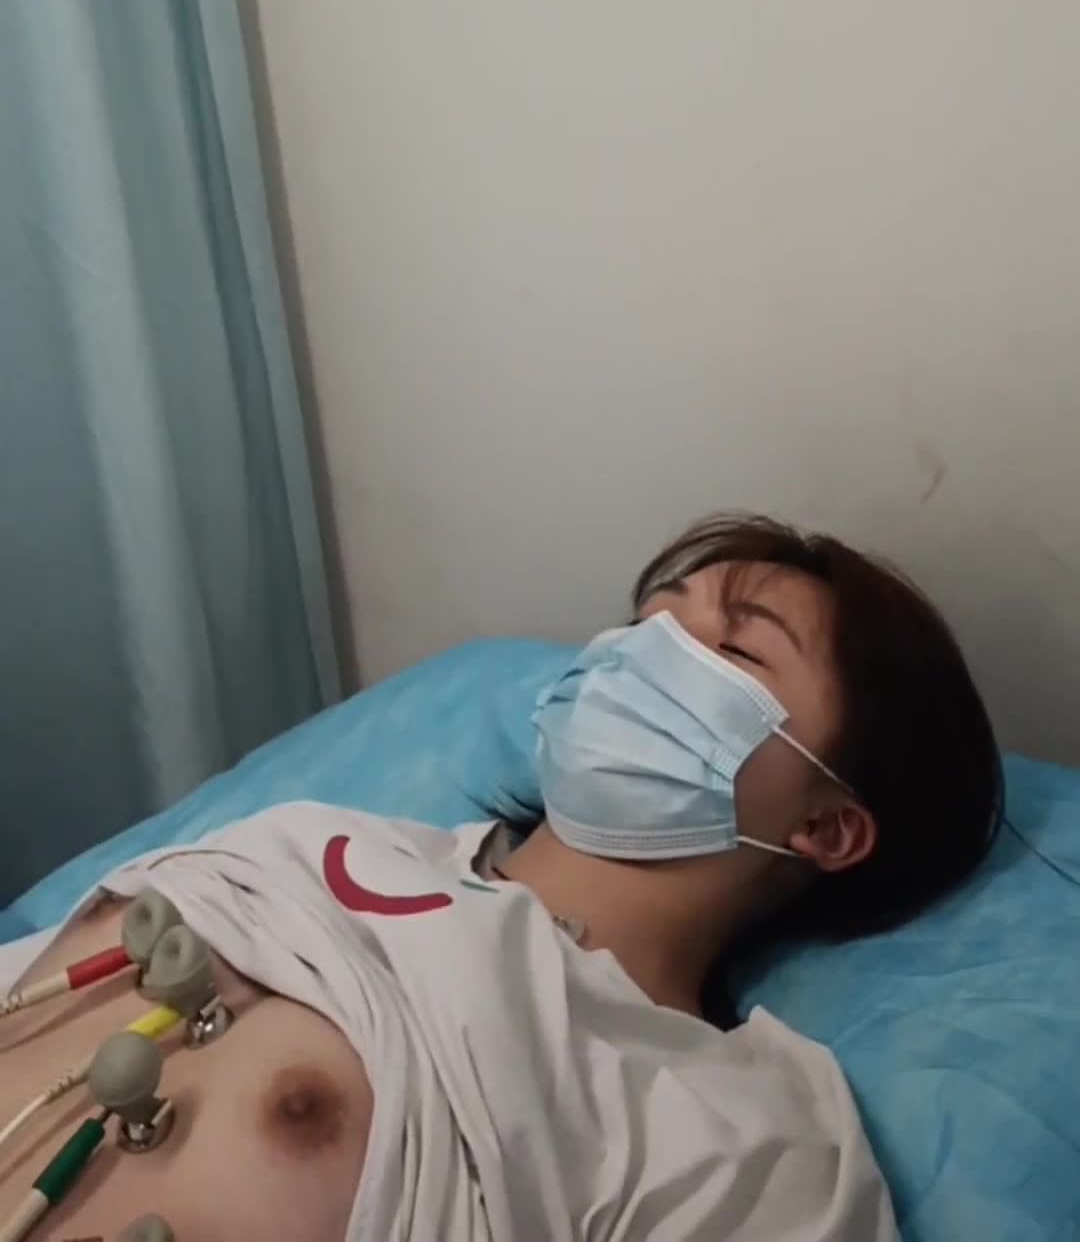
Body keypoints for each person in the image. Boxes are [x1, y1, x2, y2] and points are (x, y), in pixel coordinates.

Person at [0, 512, 1002, 1241]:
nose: (647, 652)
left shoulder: (734, 1136)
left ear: (827, 826)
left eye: (734, 648)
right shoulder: (314, 840)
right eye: (651, 619)